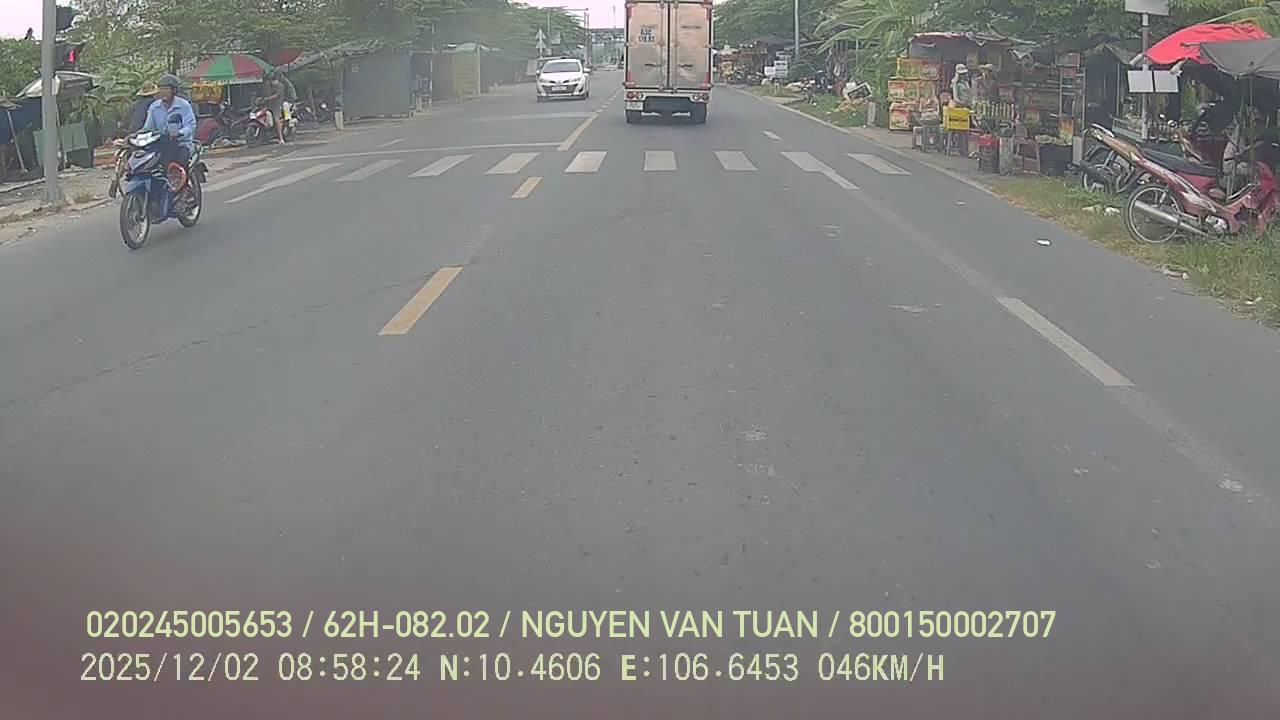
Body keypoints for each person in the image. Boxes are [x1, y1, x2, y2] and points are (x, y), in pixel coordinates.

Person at [141, 74, 196, 177]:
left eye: (166, 89)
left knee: (180, 163)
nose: (163, 92)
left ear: (174, 90)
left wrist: (179, 133)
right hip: (160, 144)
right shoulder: (154, 107)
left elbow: (190, 126)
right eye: (161, 89)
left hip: (181, 144)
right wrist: (138, 135)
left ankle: (183, 184)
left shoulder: (184, 105)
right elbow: (147, 127)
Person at [260, 69, 287, 144]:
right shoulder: (268, 86)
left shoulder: (280, 86)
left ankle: (281, 138)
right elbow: (265, 94)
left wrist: (268, 98)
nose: (273, 81)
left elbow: (276, 95)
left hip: (277, 105)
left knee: (276, 120)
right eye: (271, 80)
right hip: (268, 105)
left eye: (274, 80)